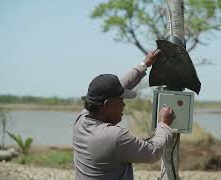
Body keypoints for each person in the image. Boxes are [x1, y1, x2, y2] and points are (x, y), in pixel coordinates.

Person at [73, 49, 175, 180]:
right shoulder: (115, 136)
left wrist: (145, 64)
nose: (123, 105)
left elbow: (118, 86)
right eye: (121, 100)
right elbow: (153, 153)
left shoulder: (82, 119)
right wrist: (164, 124)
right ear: (106, 105)